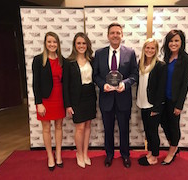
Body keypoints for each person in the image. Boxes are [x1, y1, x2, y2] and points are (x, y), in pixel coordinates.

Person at [93, 22, 138, 168]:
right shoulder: (99, 54)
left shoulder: (130, 53)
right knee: (108, 129)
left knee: (124, 129)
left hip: (123, 99)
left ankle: (125, 155)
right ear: (108, 36)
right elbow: (96, 75)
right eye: (112, 33)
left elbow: (134, 74)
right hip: (106, 99)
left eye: (118, 33)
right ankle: (109, 155)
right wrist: (102, 85)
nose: (115, 35)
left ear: (122, 35)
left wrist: (125, 84)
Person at [32, 31, 65, 171]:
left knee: (59, 127)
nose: (52, 44)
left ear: (58, 44)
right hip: (45, 99)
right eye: (49, 41)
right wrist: (38, 103)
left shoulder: (62, 60)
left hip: (60, 98)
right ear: (45, 43)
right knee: (46, 128)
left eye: (54, 42)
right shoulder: (39, 59)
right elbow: (36, 83)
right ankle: (49, 156)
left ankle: (58, 155)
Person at [63, 32, 96, 168]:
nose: (81, 46)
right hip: (77, 97)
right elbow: (65, 85)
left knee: (88, 125)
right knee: (80, 127)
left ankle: (85, 153)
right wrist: (68, 104)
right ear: (74, 45)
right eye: (79, 43)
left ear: (87, 45)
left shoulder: (92, 60)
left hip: (90, 95)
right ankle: (79, 154)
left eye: (83, 43)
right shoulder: (68, 62)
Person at [160, 30, 188, 165]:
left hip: (175, 100)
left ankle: (172, 151)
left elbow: (185, 84)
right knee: (163, 123)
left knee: (174, 126)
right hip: (164, 99)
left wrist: (179, 105)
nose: (173, 43)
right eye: (171, 41)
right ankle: (173, 145)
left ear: (181, 42)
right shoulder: (166, 57)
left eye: (176, 40)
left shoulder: (187, 60)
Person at [136, 38, 166, 166]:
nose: (149, 50)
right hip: (142, 103)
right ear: (144, 49)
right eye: (147, 47)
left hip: (153, 105)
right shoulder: (141, 63)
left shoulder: (160, 66)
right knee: (147, 130)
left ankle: (154, 157)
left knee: (153, 132)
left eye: (152, 48)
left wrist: (156, 108)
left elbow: (161, 89)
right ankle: (150, 152)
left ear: (156, 50)